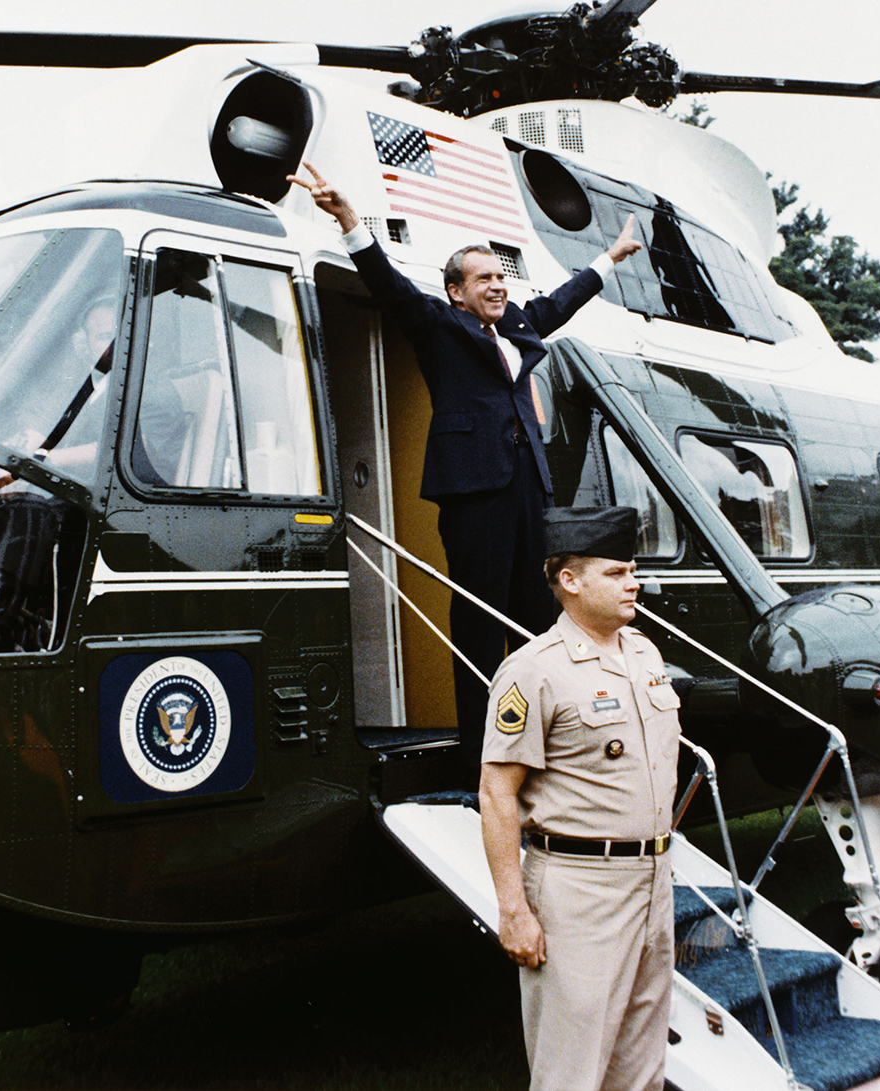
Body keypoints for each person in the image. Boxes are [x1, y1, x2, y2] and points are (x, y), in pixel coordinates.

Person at [288, 162, 642, 777]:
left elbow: (563, 299)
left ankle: (546, 745)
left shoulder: (520, 325)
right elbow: (387, 284)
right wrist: (348, 219)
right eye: (483, 279)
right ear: (457, 290)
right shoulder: (437, 323)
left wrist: (611, 258)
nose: (497, 286)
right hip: (474, 489)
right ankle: (480, 759)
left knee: (536, 614)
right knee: (479, 618)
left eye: (501, 276)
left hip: (530, 488)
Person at [479, 506, 681, 1091]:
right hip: (578, 889)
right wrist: (513, 909)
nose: (634, 583)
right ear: (571, 580)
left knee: (641, 1066)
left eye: (633, 570)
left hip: (653, 881)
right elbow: (497, 794)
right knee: (572, 1070)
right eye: (617, 573)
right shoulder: (533, 671)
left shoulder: (643, 652)